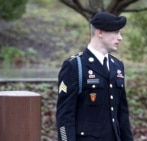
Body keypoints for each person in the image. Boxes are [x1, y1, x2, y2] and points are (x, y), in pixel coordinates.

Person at [56, 12, 134, 141]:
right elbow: (65, 117)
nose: (120, 38)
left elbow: (123, 115)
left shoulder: (117, 66)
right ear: (100, 33)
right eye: (115, 32)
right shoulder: (75, 65)